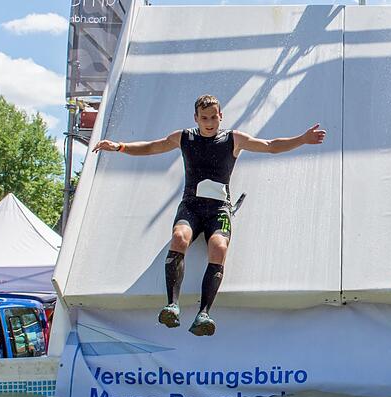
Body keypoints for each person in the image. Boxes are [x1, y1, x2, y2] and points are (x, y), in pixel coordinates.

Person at [93, 95, 326, 336]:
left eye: (214, 116)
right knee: (179, 237)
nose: (209, 122)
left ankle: (204, 313)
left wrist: (302, 139)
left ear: (220, 116)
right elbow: (152, 147)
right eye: (204, 118)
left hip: (219, 209)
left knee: (218, 247)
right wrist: (119, 146)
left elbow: (269, 146)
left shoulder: (233, 139)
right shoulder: (184, 137)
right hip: (191, 206)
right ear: (196, 118)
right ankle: (172, 304)